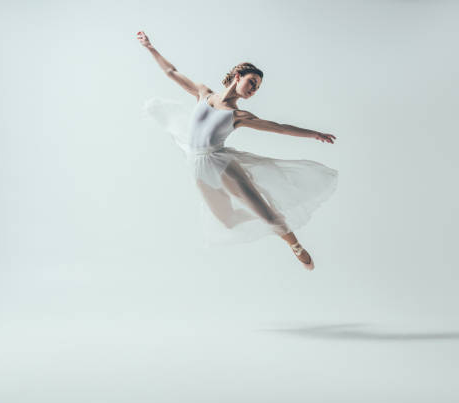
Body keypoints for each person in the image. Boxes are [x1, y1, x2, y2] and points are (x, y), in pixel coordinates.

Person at [137, 31, 338, 270]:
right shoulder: (204, 93)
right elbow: (171, 72)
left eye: (257, 88)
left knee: (266, 213)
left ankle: (293, 243)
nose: (254, 89)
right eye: (252, 82)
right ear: (238, 75)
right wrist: (150, 47)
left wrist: (314, 134)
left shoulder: (238, 115)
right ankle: (274, 220)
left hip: (220, 165)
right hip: (196, 166)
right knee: (228, 221)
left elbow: (280, 128)